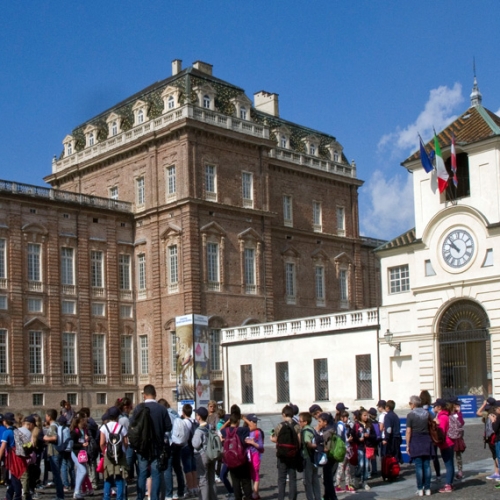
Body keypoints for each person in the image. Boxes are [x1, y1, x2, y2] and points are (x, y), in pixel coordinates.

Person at [130, 384, 172, 500]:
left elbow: (132, 427)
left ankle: (140, 497)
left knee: (142, 474)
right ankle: (154, 498)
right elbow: (168, 427)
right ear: (155, 394)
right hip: (157, 446)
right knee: (156, 474)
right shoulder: (162, 409)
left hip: (142, 447)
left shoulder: (138, 408)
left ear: (144, 395)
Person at [272, 405, 301, 500]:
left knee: (281, 478)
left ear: (284, 414)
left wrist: (271, 438)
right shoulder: (297, 426)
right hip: (293, 455)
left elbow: (276, 439)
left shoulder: (280, 426)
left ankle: (281, 498)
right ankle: (292, 498)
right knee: (292, 478)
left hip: (282, 455)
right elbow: (299, 441)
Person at [406, 395, 434, 497]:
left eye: (410, 403)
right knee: (426, 465)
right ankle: (427, 488)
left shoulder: (410, 415)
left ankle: (420, 488)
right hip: (426, 439)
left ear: (413, 404)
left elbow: (408, 431)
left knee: (418, 466)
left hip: (416, 440)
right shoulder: (427, 413)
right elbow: (436, 423)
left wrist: (408, 445)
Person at [221, 412, 251, 500]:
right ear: (238, 421)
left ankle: (238, 497)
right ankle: (248, 497)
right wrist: (244, 418)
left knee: (235, 481)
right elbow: (253, 427)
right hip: (242, 459)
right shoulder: (241, 430)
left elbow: (221, 429)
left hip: (231, 459)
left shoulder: (226, 431)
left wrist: (227, 422)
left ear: (230, 421)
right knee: (246, 481)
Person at [100, 407, 128, 500]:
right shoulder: (121, 428)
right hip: (120, 455)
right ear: (117, 416)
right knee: (120, 478)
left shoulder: (104, 427)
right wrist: (123, 450)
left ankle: (106, 497)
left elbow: (102, 443)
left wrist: (105, 451)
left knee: (108, 477)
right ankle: (119, 498)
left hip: (108, 454)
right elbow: (126, 442)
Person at [0, 412, 28, 500]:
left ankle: (18, 496)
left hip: (13, 456)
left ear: (5, 422)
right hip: (20, 455)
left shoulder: (6, 432)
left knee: (14, 476)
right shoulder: (16, 430)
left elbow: (2, 448)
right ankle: (9, 495)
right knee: (15, 476)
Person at [192, 407, 217, 500]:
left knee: (203, 480)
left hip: (202, 456)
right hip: (211, 455)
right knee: (211, 479)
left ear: (199, 417)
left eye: (197, 414)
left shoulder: (199, 430)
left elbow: (196, 444)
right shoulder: (210, 427)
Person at [433, 398, 454, 493]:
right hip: (448, 443)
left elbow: (441, 432)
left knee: (448, 464)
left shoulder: (443, 417)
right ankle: (450, 483)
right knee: (449, 464)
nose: (433, 407)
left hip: (446, 443)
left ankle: (448, 484)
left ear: (439, 407)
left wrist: (436, 424)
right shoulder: (443, 415)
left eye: (435, 406)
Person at [43, 409, 65, 500]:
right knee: (57, 474)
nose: (45, 417)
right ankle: (60, 494)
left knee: (56, 475)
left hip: (54, 452)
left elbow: (54, 437)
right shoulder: (57, 424)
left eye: (46, 416)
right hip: (58, 451)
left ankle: (60, 496)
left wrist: (45, 438)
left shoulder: (53, 426)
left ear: (49, 417)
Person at [298, 412, 321, 500]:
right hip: (314, 457)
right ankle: (318, 497)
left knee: (308, 481)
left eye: (300, 421)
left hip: (307, 457)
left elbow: (308, 443)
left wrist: (312, 445)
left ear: (305, 422)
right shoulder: (312, 429)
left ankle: (310, 498)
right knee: (315, 479)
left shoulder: (305, 431)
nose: (299, 423)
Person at [420, 390, 441, 483]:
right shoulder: (431, 410)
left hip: (423, 435)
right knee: (434, 456)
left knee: (425, 458)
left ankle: (425, 478)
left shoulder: (420, 410)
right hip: (432, 436)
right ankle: (438, 474)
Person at [315, 413, 338, 500]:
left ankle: (332, 497)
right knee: (327, 478)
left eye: (320, 421)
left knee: (328, 479)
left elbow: (319, 439)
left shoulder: (328, 431)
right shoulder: (329, 429)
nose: (319, 423)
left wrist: (317, 430)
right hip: (330, 456)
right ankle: (328, 496)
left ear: (325, 422)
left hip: (329, 456)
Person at [477, 398, 499, 480]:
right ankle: (496, 472)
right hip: (490, 437)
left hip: (493, 436)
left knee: (496, 455)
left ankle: (497, 472)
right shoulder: (489, 413)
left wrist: (483, 405)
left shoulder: (492, 414)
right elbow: (478, 413)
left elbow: (478, 413)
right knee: (495, 455)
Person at [243, 414, 264, 500]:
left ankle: (255, 493)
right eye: (253, 421)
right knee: (247, 475)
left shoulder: (258, 432)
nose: (255, 423)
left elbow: (261, 446)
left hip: (255, 455)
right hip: (245, 455)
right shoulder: (244, 431)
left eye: (256, 421)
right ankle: (249, 493)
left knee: (255, 473)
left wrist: (252, 443)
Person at [70, 415, 90, 500]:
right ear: (77, 423)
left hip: (82, 453)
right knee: (83, 471)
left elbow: (87, 438)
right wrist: (82, 444)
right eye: (82, 422)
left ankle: (77, 492)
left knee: (79, 471)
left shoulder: (84, 430)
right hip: (75, 453)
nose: (84, 423)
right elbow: (72, 445)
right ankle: (77, 491)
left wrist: (87, 439)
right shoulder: (74, 432)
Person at [334, 411, 354, 494]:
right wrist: (347, 440)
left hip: (346, 447)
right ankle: (337, 485)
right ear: (342, 417)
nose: (347, 418)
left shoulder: (344, 425)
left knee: (347, 467)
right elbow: (339, 438)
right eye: (346, 417)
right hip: (343, 448)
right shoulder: (340, 425)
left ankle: (347, 484)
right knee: (341, 467)